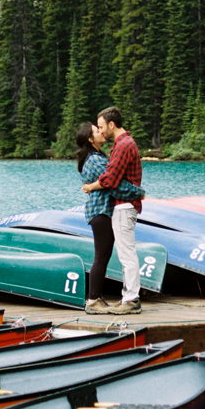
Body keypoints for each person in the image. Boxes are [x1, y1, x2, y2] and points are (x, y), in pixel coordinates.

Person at [75, 121, 144, 314]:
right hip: (101, 212)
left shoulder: (95, 157)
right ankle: (92, 300)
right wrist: (137, 192)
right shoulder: (96, 160)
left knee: (103, 256)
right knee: (101, 256)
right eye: (97, 131)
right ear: (91, 139)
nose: (101, 132)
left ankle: (95, 298)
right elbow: (115, 183)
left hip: (100, 212)